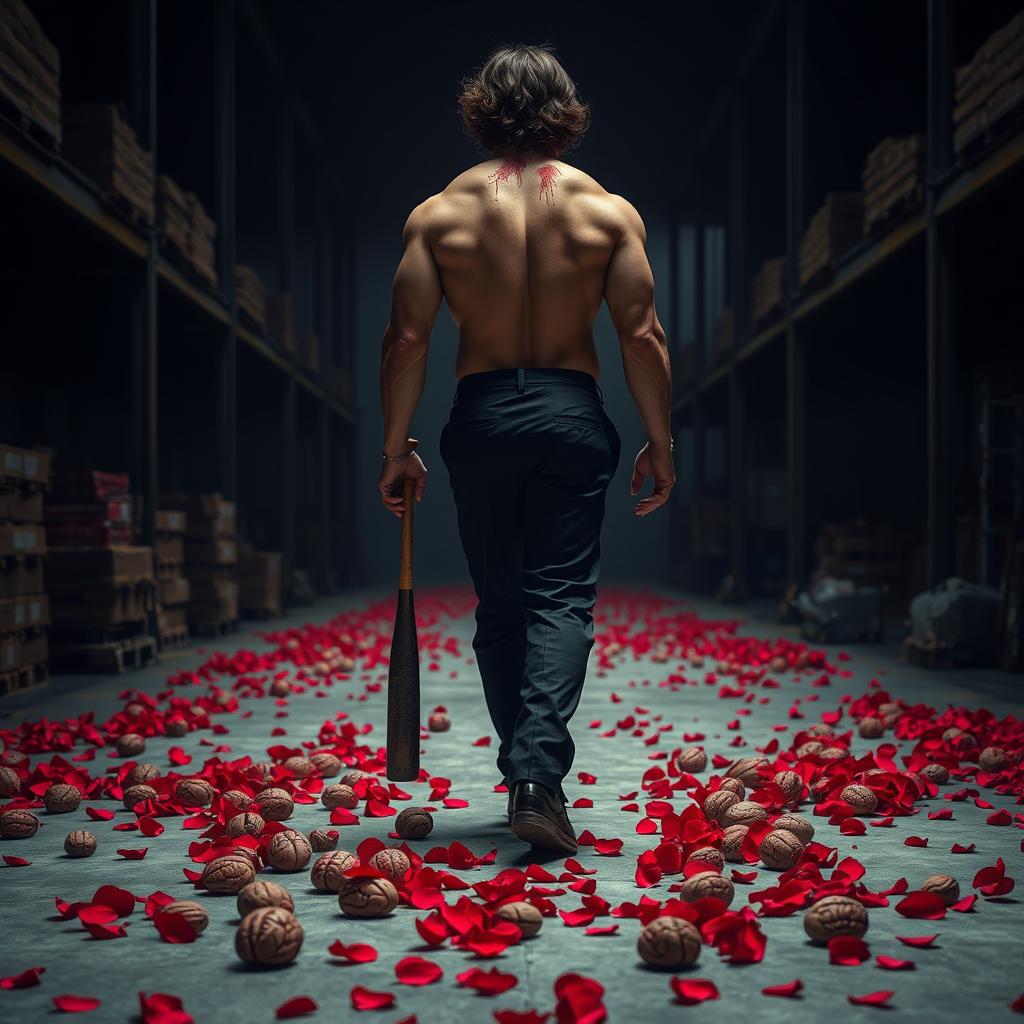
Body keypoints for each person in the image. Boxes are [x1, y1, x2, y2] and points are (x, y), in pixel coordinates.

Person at [377, 42, 674, 854]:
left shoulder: (438, 215)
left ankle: (528, 773)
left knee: (503, 606)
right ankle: (538, 777)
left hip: (481, 421)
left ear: (481, 110)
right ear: (565, 110)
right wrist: (660, 440)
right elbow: (640, 335)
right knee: (561, 600)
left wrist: (395, 446)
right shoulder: (608, 213)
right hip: (571, 414)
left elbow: (407, 339)